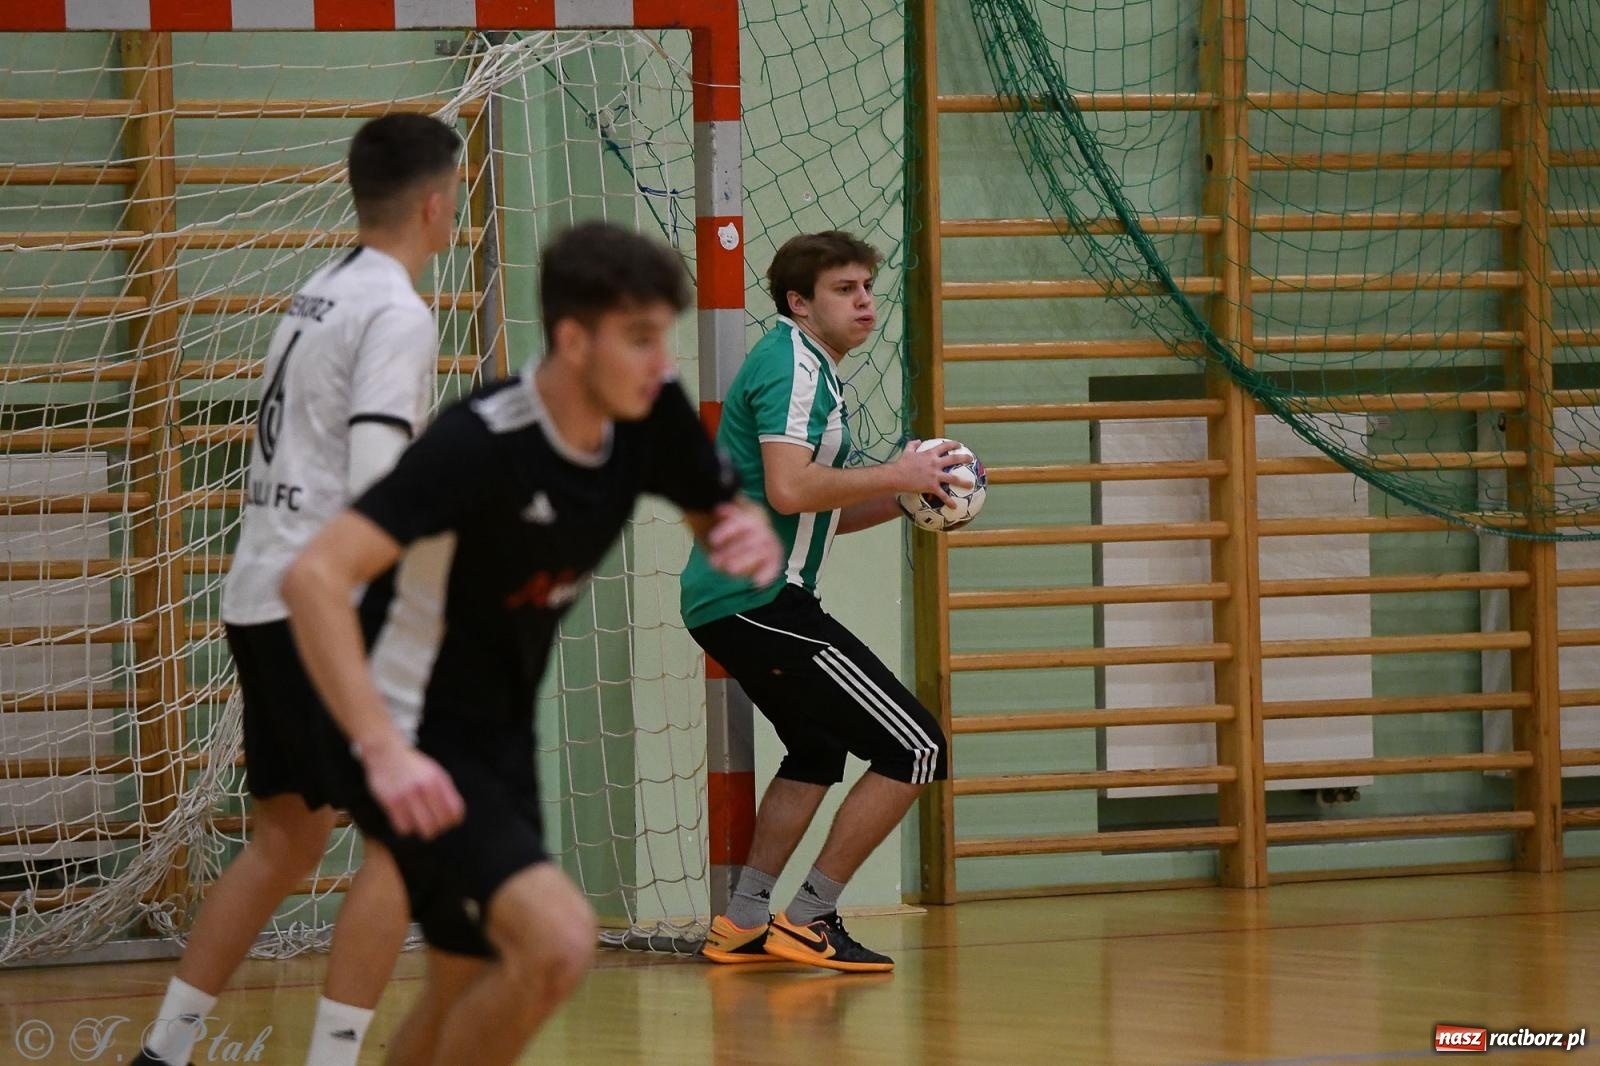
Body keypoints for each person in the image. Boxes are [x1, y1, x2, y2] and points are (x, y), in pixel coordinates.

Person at [279, 221, 782, 1066]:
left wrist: (745, 536)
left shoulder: (649, 412)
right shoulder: (477, 443)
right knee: (554, 942)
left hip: (498, 733)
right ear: (572, 338)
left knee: (462, 981)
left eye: (665, 337)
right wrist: (383, 751)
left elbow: (715, 512)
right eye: (639, 339)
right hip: (406, 728)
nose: (662, 361)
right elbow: (315, 580)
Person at [134, 113, 463, 1066]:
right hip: (326, 601)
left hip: (257, 591)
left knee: (286, 838)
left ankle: (164, 1051)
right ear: (437, 203)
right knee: (406, 837)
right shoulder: (397, 310)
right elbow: (374, 488)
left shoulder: (318, 289)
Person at [682, 231, 955, 973]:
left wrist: (908, 498)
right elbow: (790, 489)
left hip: (745, 598)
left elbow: (812, 510)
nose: (864, 300)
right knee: (916, 745)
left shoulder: (813, 369)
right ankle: (812, 917)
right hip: (757, 598)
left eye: (867, 286)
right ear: (800, 303)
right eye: (844, 289)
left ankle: (743, 921)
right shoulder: (793, 366)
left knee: (817, 748)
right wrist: (895, 471)